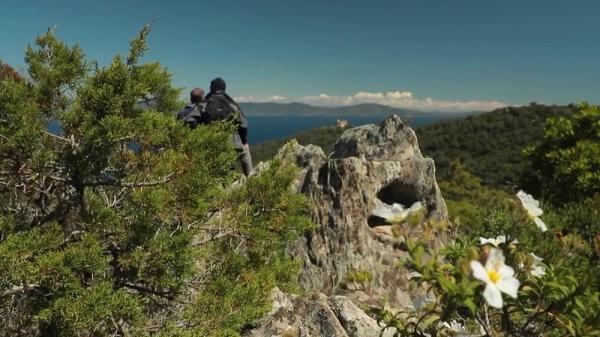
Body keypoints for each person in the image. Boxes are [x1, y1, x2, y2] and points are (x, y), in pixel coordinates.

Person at [204, 77, 253, 176]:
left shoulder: (205, 102)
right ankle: (250, 177)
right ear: (223, 88)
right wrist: (243, 140)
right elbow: (243, 124)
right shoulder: (230, 103)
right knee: (244, 150)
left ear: (212, 88)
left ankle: (226, 185)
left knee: (222, 163)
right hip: (232, 141)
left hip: (211, 144)